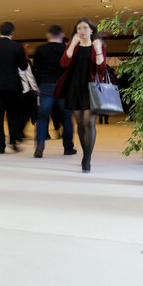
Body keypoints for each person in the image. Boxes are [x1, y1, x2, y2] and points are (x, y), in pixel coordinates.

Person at [55, 18, 107, 173]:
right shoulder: (73, 46)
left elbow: (102, 70)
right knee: (80, 123)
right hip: (74, 88)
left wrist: (98, 50)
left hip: (91, 88)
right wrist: (71, 44)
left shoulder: (98, 45)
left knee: (89, 122)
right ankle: (85, 153)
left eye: (85, 28)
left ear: (92, 30)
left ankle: (87, 158)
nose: (82, 31)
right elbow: (63, 63)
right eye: (78, 28)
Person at [0, 22, 28, 153]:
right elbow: (24, 66)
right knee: (13, 115)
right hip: (12, 86)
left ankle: (0, 146)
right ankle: (13, 141)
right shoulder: (17, 47)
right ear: (12, 33)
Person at [32, 25, 76, 158]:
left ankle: (40, 145)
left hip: (46, 86)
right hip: (63, 87)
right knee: (67, 118)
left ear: (48, 35)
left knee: (42, 118)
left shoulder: (40, 49)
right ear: (62, 35)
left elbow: (35, 70)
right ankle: (68, 148)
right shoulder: (66, 49)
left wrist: (38, 86)